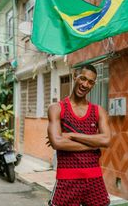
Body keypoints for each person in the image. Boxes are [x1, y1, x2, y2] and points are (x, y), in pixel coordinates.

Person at [47, 64, 111, 206]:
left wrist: (70, 135)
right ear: (74, 76)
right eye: (82, 78)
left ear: (93, 85)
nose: (85, 84)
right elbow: (57, 142)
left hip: (95, 179)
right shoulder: (57, 108)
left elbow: (106, 139)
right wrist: (94, 145)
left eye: (90, 82)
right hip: (66, 180)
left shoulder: (98, 111)